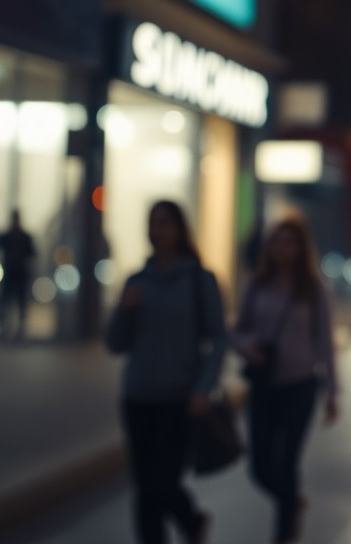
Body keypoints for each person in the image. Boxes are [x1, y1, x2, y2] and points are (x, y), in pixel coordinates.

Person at [105, 201, 225, 544]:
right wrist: (125, 310)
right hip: (138, 395)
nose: (159, 231)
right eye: (153, 223)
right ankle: (182, 528)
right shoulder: (137, 280)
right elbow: (115, 343)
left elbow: (217, 338)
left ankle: (191, 520)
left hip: (179, 398)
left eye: (166, 223)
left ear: (180, 229)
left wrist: (204, 387)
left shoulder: (199, 281)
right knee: (144, 490)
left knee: (163, 483)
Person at [234, 217, 339, 544]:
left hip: (301, 384)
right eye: (277, 241)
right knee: (260, 466)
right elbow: (236, 330)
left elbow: (324, 341)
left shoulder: (313, 288)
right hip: (264, 384)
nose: (283, 248)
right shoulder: (256, 284)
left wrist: (333, 392)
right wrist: (246, 346)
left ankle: (283, 535)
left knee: (287, 461)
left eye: (290, 242)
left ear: (301, 247)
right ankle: (292, 503)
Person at [0, 209, 37, 339]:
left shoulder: (7, 236)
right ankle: (17, 325)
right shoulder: (25, 237)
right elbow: (32, 254)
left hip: (12, 270)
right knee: (19, 299)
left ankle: (5, 325)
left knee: (8, 299)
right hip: (19, 271)